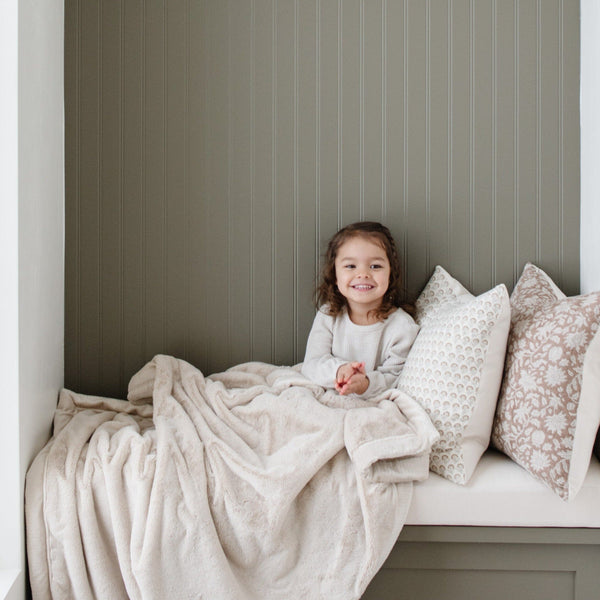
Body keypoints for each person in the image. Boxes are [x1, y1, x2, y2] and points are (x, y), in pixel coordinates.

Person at [301, 221, 419, 398]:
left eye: (375, 266)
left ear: (390, 273)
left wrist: (365, 383)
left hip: (372, 401)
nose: (363, 274)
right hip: (330, 395)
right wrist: (340, 370)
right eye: (350, 266)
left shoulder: (402, 327)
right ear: (335, 275)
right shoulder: (328, 316)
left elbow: (394, 376)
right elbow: (312, 364)